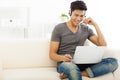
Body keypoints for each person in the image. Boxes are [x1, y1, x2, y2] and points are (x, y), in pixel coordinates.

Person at [49, 0, 118, 80]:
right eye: (76, 15)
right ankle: (76, 72)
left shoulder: (86, 29)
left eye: (81, 16)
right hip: (66, 63)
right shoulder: (59, 28)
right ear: (70, 13)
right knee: (72, 69)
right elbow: (52, 54)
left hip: (82, 63)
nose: (78, 19)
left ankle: (79, 73)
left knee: (113, 62)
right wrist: (63, 58)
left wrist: (95, 25)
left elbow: (103, 45)